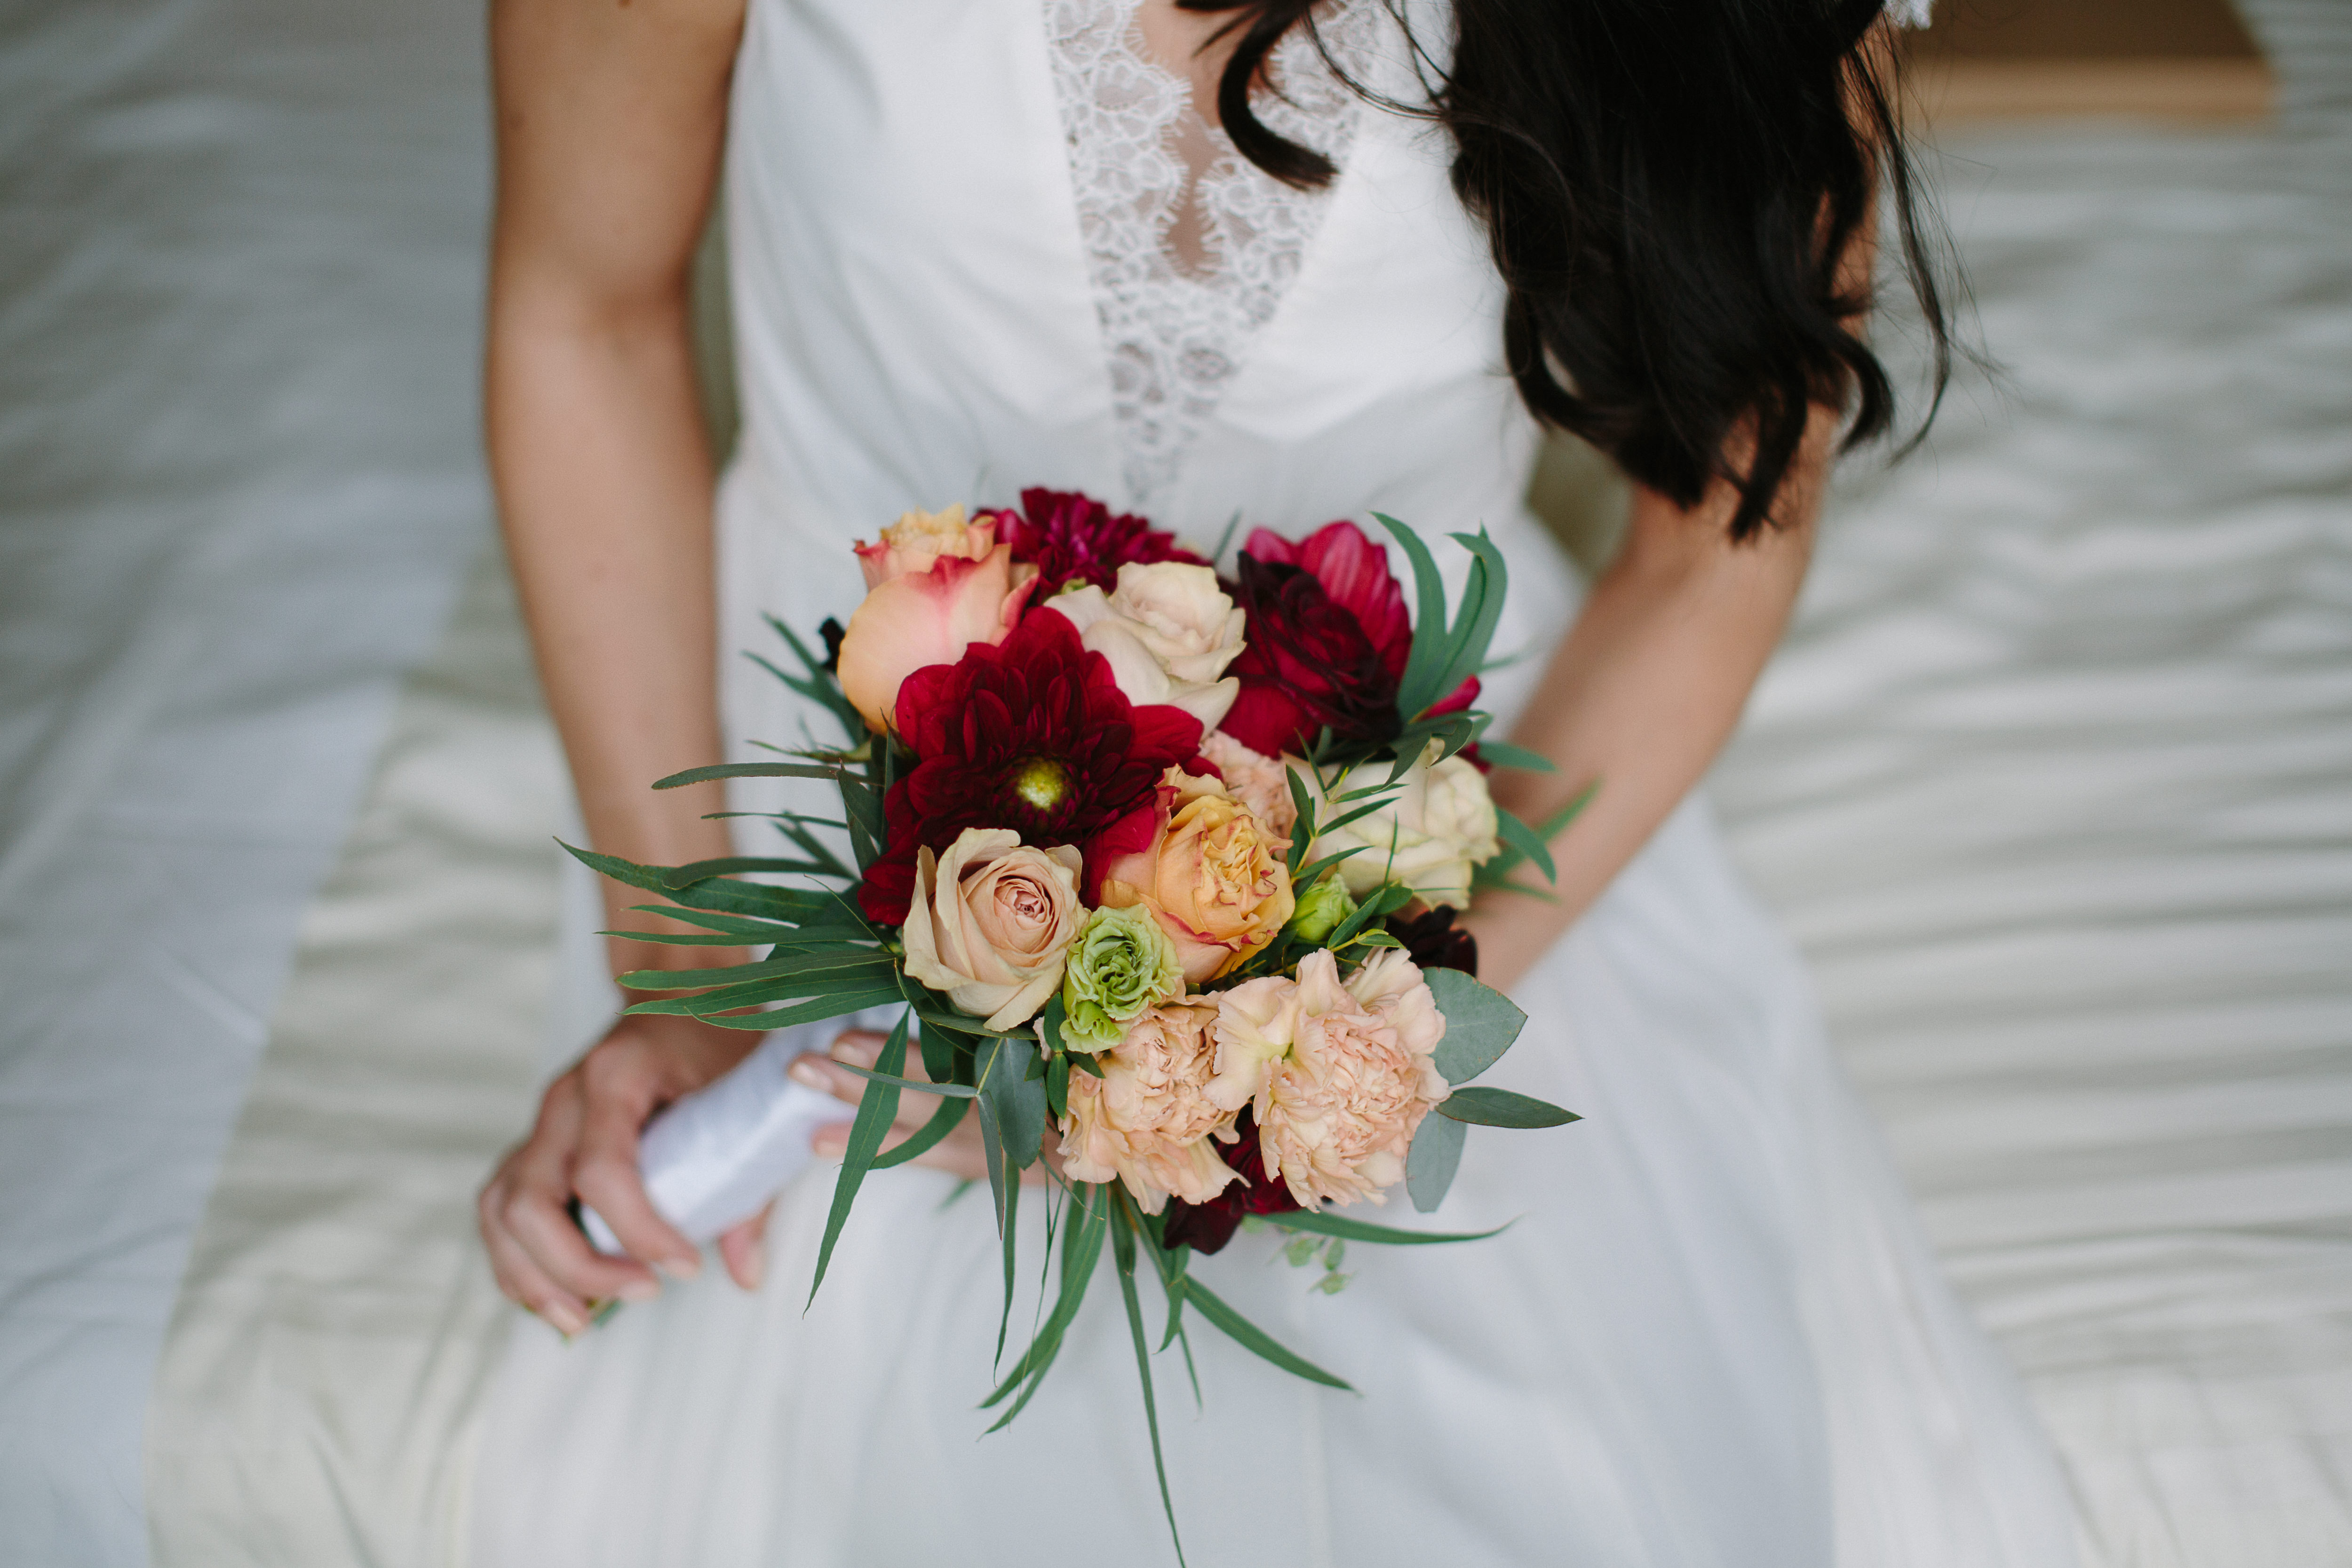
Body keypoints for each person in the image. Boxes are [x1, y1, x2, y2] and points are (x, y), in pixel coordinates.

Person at [473, 0, 2079, 1561]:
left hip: (1440, 823)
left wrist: (1348, 1044)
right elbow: (583, 312)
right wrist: (685, 971)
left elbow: (1713, 545)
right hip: (827, 765)